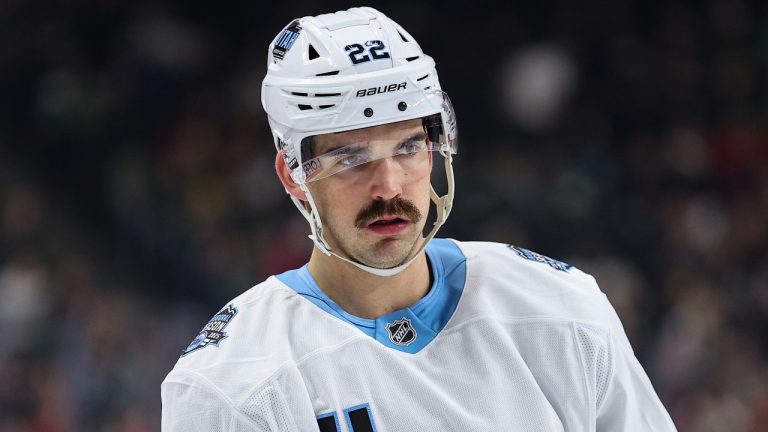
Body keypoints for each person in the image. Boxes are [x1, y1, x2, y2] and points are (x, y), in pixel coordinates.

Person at [161, 6, 677, 431]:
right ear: (293, 174)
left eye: (409, 147)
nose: (388, 186)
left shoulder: (561, 310)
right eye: (351, 158)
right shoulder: (228, 386)